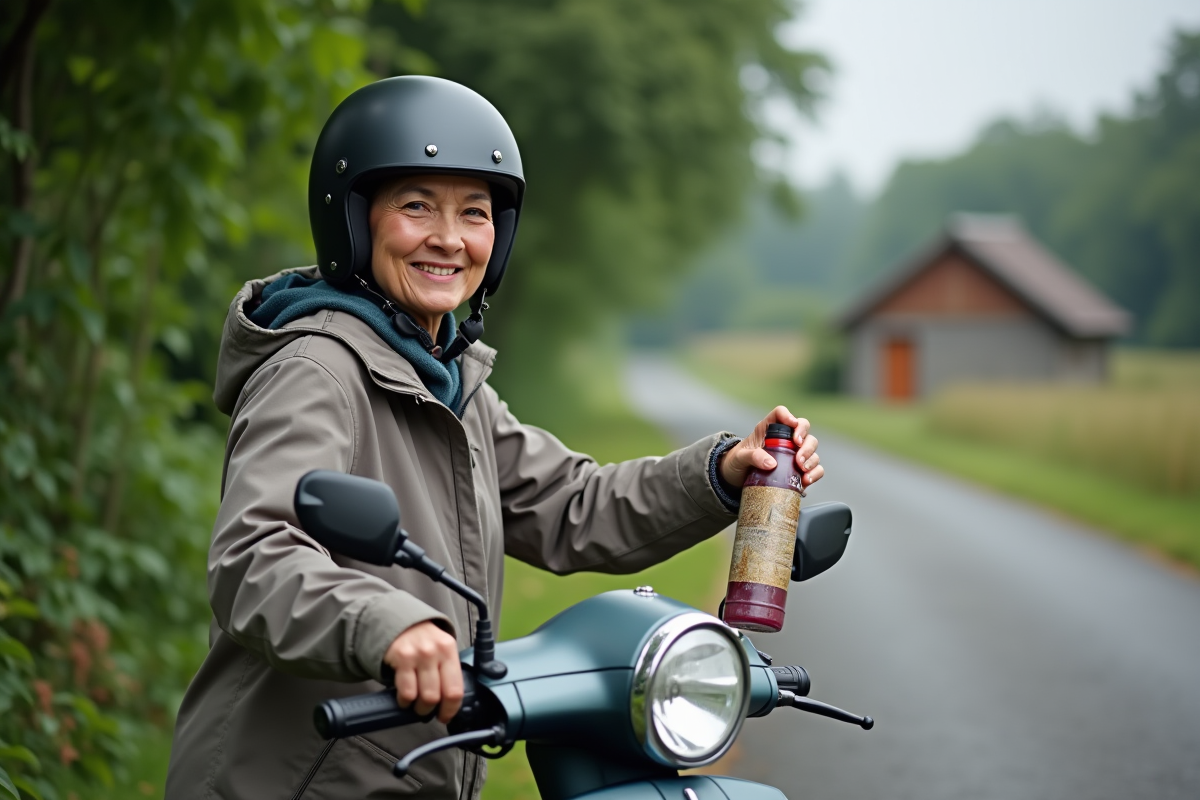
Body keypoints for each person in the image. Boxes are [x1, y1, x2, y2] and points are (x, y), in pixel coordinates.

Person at [164, 76, 822, 800]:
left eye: (474, 213)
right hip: (297, 783)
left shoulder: (446, 381)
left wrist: (720, 472)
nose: (449, 238)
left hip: (402, 770)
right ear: (353, 221)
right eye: (417, 206)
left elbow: (571, 504)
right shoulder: (316, 372)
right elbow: (256, 554)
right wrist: (389, 626)